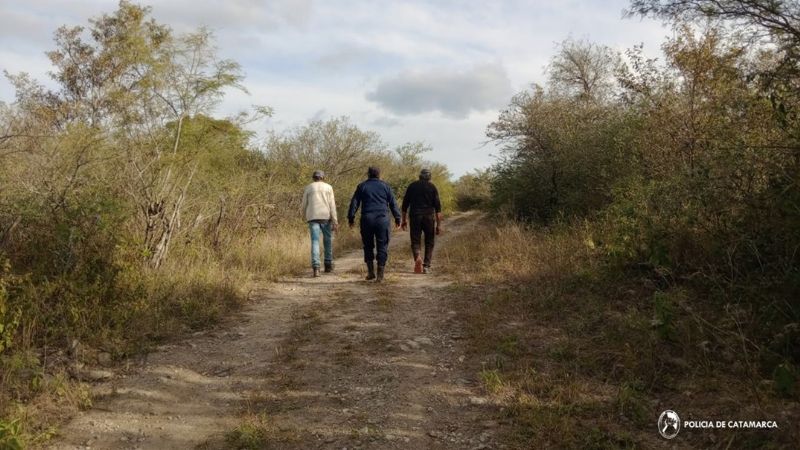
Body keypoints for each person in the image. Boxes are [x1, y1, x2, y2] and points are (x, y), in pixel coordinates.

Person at [347, 166, 401, 282]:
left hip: (367, 219)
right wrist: (397, 218)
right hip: (382, 219)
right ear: (379, 174)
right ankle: (380, 276)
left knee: (368, 245)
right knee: (382, 246)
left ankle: (371, 272)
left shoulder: (362, 186)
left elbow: (354, 203)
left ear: (368, 174)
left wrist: (351, 218)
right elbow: (393, 203)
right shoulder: (385, 186)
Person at [401, 168, 443, 274]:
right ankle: (426, 266)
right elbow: (438, 209)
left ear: (420, 176)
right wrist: (438, 225)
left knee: (415, 240)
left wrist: (404, 220)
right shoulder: (432, 187)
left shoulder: (412, 186)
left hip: (415, 216)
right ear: (429, 177)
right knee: (429, 241)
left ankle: (418, 257)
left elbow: (404, 205)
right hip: (429, 217)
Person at [300, 170, 338, 277]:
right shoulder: (328, 187)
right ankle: (328, 265)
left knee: (315, 242)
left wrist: (303, 216)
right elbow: (332, 205)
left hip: (312, 218)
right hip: (326, 217)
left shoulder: (309, 187)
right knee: (328, 241)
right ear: (322, 177)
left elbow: (304, 204)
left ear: (314, 178)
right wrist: (335, 220)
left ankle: (316, 268)